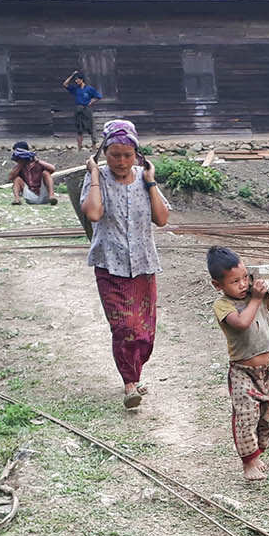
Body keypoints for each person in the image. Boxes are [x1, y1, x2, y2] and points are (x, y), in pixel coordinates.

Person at [81, 120, 169, 408]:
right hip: (110, 265)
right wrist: (95, 175)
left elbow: (162, 219)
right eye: (114, 155)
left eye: (127, 155)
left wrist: (151, 181)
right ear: (104, 153)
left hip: (143, 264)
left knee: (144, 331)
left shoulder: (144, 178)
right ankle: (130, 383)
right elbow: (93, 213)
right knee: (124, 326)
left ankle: (135, 373)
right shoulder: (97, 178)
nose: (121, 161)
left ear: (137, 155)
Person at [208, 247, 269, 481]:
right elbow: (241, 323)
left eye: (245, 277)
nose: (243, 284)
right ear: (217, 285)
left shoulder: (259, 297)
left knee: (266, 415)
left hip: (268, 369)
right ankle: (248, 463)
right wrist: (256, 299)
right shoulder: (223, 305)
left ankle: (257, 455)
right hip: (242, 371)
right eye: (235, 281)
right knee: (245, 415)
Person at [6, 141, 59, 205]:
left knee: (46, 173)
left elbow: (52, 169)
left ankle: (52, 196)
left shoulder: (37, 163)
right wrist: (21, 164)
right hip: (30, 195)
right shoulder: (19, 167)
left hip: (43, 194)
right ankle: (17, 199)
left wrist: (37, 160)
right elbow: (10, 177)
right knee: (17, 179)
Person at [64, 71, 103, 151]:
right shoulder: (75, 89)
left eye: (77, 79)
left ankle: (94, 147)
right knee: (79, 128)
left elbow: (98, 96)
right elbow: (65, 84)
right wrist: (72, 75)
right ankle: (79, 148)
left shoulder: (89, 89)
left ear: (82, 79)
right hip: (78, 109)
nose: (76, 81)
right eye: (75, 80)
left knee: (91, 127)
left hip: (86, 109)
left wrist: (91, 102)